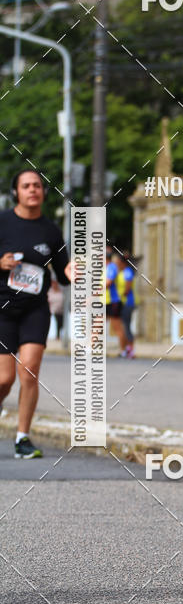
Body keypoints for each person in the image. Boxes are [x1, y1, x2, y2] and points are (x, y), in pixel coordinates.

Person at [0, 168, 72, 458]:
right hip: (2, 308)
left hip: (35, 309)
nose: (33, 190)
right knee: (3, 379)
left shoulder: (51, 231)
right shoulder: (2, 221)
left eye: (38, 186)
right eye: (27, 186)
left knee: (28, 371)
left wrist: (73, 270)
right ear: (16, 191)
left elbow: (64, 274)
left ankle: (22, 439)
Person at [104, 246, 127, 356]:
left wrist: (94, 293)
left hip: (113, 301)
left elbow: (108, 283)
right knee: (97, 324)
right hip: (106, 301)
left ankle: (124, 350)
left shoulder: (111, 267)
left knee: (117, 327)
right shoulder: (107, 267)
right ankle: (90, 348)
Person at [115, 251, 136, 358]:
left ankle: (131, 350)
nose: (116, 263)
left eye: (118, 261)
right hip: (122, 303)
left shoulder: (128, 272)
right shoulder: (121, 272)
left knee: (126, 326)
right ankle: (126, 349)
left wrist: (118, 296)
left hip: (127, 303)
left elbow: (127, 288)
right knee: (123, 326)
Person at [47, 274, 64, 340]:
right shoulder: (49, 291)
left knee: (60, 324)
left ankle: (59, 336)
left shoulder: (61, 291)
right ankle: (56, 336)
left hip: (60, 311)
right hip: (52, 311)